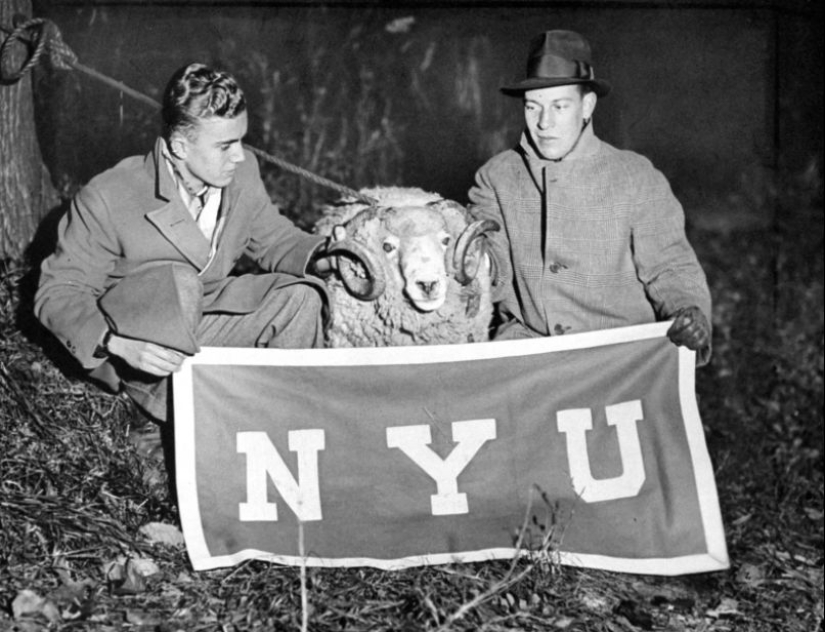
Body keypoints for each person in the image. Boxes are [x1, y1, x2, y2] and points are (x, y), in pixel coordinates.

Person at [35, 63, 337, 434]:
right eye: (225, 145)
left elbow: (273, 238)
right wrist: (117, 343)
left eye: (241, 140)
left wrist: (326, 258)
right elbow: (59, 291)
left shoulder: (241, 173)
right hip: (145, 349)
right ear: (180, 146)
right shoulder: (109, 195)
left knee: (301, 300)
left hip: (208, 317)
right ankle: (155, 418)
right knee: (180, 284)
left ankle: (287, 425)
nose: (240, 156)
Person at [469, 30, 712, 363]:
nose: (544, 122)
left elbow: (670, 268)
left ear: (587, 106)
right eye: (532, 106)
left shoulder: (635, 176)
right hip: (527, 357)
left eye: (559, 106)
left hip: (617, 360)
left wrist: (689, 312)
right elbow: (486, 274)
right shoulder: (496, 177)